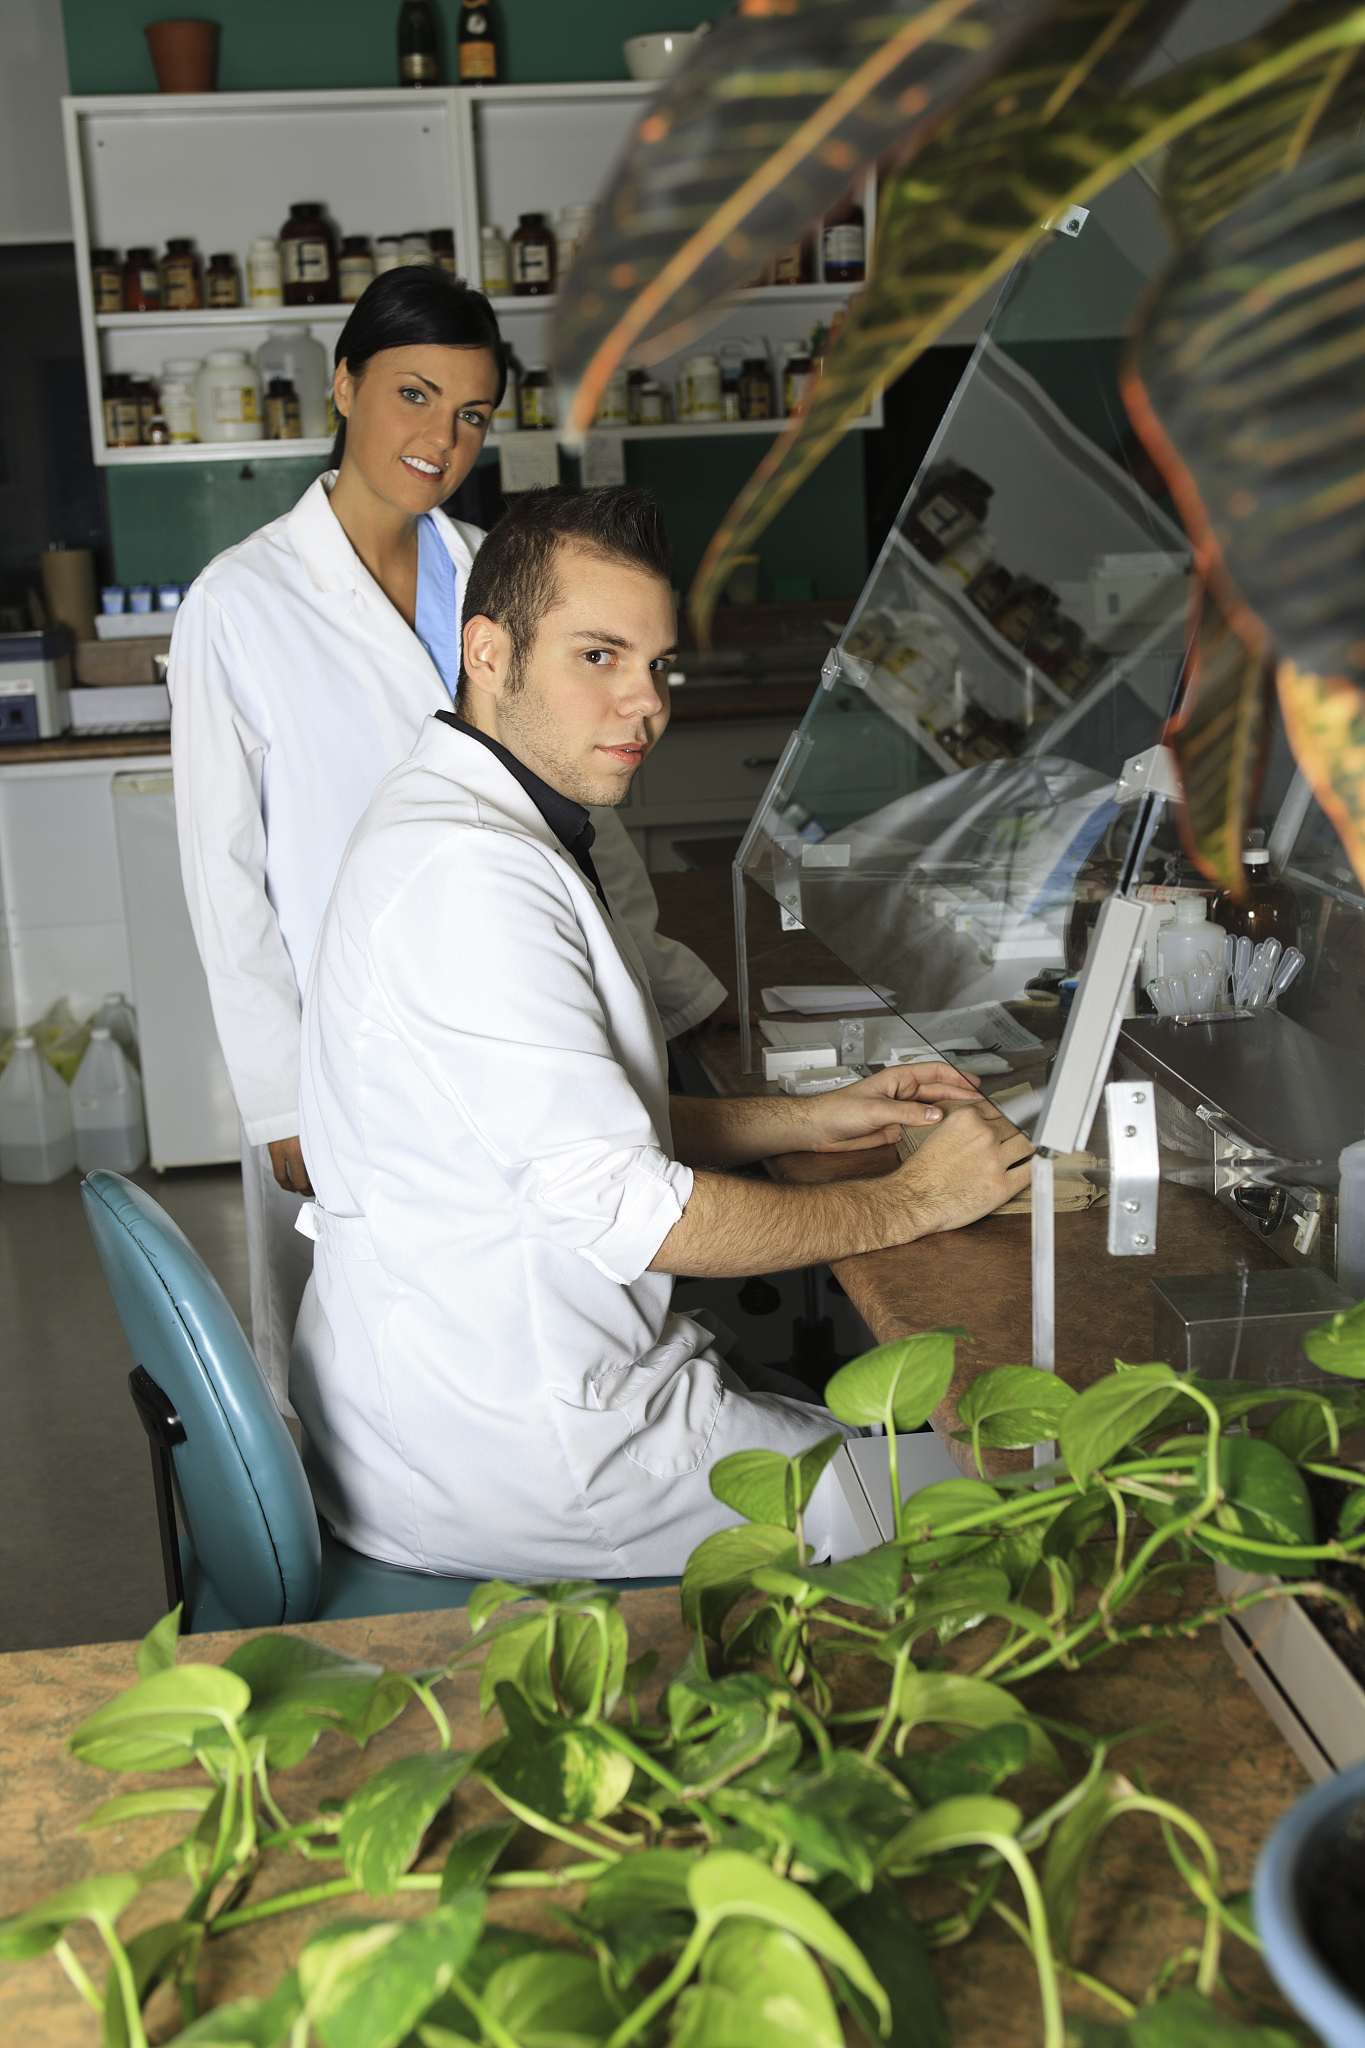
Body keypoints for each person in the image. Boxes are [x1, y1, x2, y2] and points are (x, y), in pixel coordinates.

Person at [291, 487, 1031, 1580]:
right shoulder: (469, 875)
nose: (645, 703)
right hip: (535, 1454)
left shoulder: (467, 820)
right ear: (488, 651)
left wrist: (807, 1117)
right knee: (1016, 1495)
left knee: (906, 1444)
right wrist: (918, 1200)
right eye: (598, 655)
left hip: (459, 1399)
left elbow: (565, 1126)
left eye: (658, 665)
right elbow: (633, 1212)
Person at [168, 271, 723, 1408]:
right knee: (372, 1347)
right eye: (415, 395)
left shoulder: (499, 570)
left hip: (522, 997)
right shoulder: (243, 601)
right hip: (346, 1041)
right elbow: (222, 874)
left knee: (550, 1308)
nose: (442, 437)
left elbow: (576, 810)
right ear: (342, 384)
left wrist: (660, 983)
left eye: (472, 413)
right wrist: (280, 1098)